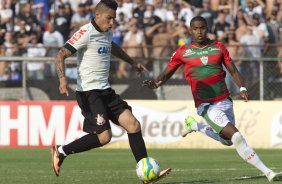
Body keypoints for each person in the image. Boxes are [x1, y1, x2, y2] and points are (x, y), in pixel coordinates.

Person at [143, 16, 279, 182]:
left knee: (227, 141)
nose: (199, 32)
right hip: (206, 105)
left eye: (202, 28)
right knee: (235, 136)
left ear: (207, 29)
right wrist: (156, 83)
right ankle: (268, 172)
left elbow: (234, 71)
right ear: (190, 30)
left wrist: (242, 88)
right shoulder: (182, 52)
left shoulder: (219, 47)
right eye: (195, 29)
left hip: (225, 101)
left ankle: (196, 126)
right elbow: (166, 73)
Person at [51, 1, 171, 183]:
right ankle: (61, 151)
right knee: (104, 137)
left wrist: (131, 62)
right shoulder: (85, 32)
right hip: (89, 93)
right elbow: (60, 54)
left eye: (114, 19)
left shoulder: (107, 31)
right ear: (97, 15)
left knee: (133, 125)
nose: (112, 22)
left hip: (105, 90)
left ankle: (146, 173)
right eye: (109, 18)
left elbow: (112, 46)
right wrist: (62, 80)